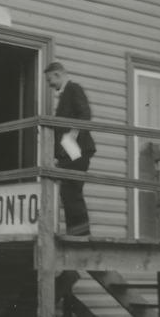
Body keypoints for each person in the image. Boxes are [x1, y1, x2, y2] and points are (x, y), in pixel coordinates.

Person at [44, 62, 96, 236]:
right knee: (69, 192)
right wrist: (59, 154)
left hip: (77, 148)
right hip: (71, 150)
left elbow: (85, 115)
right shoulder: (65, 95)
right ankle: (77, 233)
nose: (50, 84)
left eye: (50, 79)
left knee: (71, 190)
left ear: (58, 75)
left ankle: (81, 234)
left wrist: (71, 138)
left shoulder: (74, 89)